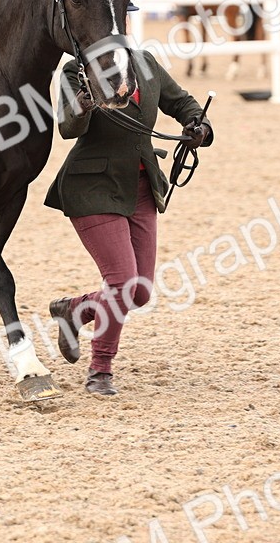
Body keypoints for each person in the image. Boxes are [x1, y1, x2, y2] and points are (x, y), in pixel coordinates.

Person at [45, 52, 214, 396]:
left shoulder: (145, 63)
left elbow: (182, 103)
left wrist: (200, 126)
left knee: (140, 292)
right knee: (122, 283)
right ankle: (100, 369)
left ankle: (75, 309)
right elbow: (67, 128)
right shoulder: (77, 70)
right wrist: (83, 105)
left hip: (140, 189)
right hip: (92, 186)